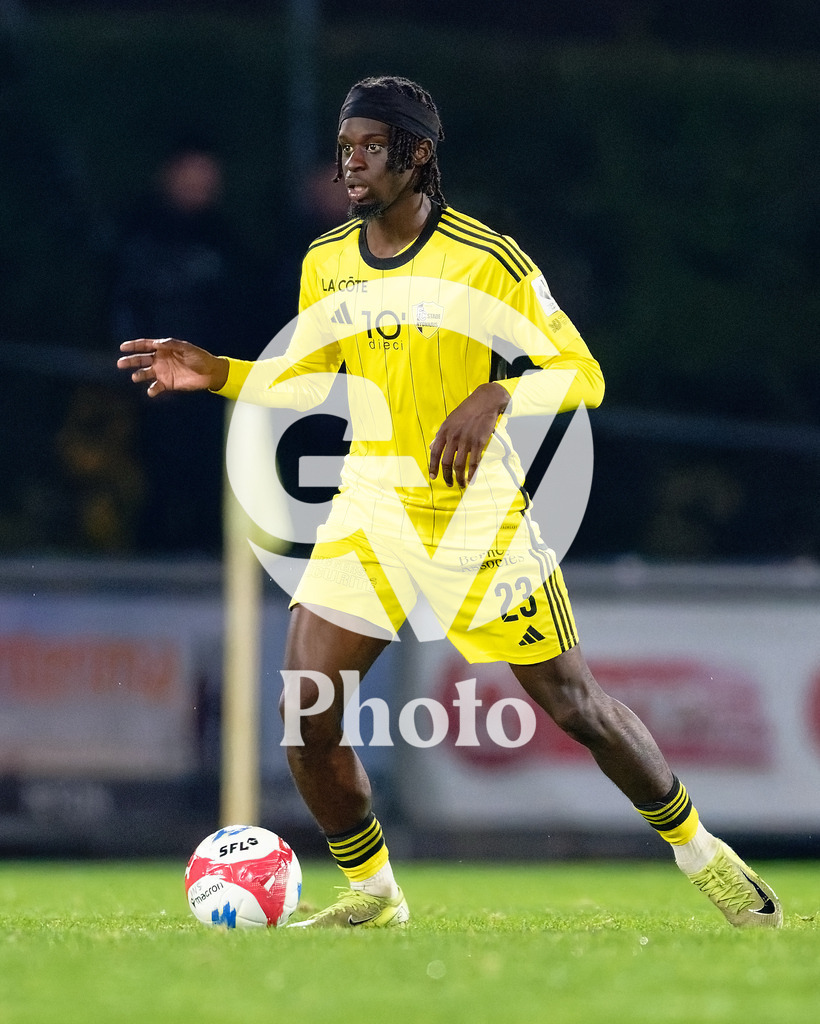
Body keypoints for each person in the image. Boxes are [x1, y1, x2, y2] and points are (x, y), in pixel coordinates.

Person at [118, 75, 782, 930]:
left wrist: (500, 394)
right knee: (306, 718)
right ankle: (376, 894)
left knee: (574, 705)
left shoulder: (486, 259)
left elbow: (583, 374)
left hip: (475, 517)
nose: (350, 163)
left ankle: (702, 853)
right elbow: (314, 381)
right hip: (368, 507)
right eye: (343, 147)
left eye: (370, 147)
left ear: (417, 154)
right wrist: (220, 374)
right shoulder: (327, 261)